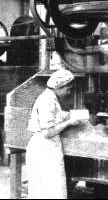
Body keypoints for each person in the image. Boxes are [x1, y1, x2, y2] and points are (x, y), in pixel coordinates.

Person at [26, 68, 81, 199]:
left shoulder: (51, 97)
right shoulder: (46, 101)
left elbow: (56, 115)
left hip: (48, 148)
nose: (68, 93)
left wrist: (72, 115)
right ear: (60, 87)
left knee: (51, 190)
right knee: (49, 190)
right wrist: (69, 122)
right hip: (44, 149)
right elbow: (48, 132)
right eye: (68, 90)